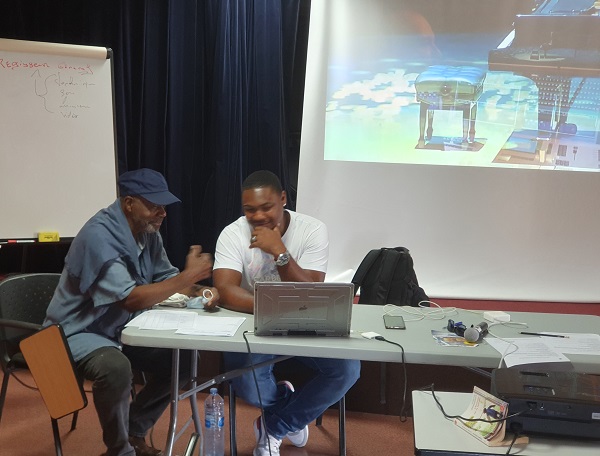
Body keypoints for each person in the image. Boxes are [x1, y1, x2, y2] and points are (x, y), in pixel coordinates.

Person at [44, 168, 218, 456]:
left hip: (120, 329)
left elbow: (167, 279)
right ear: (128, 203)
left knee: (185, 359)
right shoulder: (98, 236)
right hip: (75, 332)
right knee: (115, 368)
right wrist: (188, 276)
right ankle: (120, 450)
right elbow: (131, 299)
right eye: (154, 205)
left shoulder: (147, 232)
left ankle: (133, 429)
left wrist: (205, 292)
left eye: (164, 206)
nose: (163, 213)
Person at [213, 170, 361, 456]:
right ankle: (286, 406)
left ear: (283, 199)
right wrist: (278, 306)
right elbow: (226, 290)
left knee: (347, 370)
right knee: (249, 387)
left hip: (306, 321)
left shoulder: (312, 229)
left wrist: (280, 252)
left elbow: (312, 291)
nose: (257, 216)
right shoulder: (232, 233)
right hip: (253, 325)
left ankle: (276, 426)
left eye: (266, 207)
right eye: (249, 209)